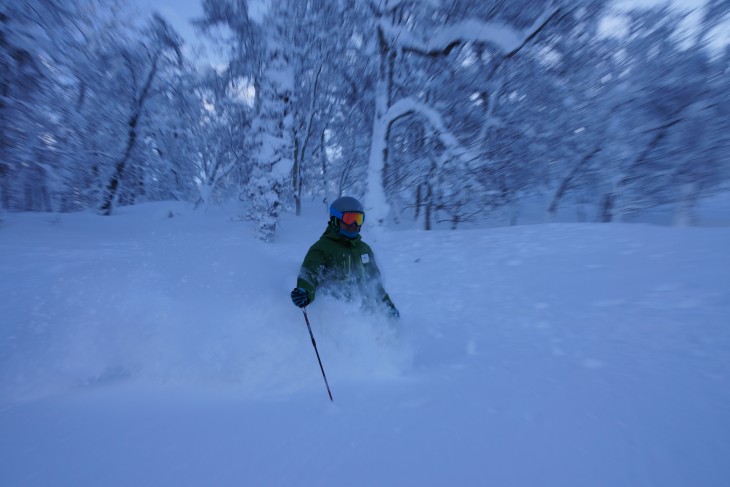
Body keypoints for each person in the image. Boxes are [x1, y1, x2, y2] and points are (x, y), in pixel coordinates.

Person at [290, 196, 399, 318]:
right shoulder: (322, 248)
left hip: (367, 316)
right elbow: (310, 274)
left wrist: (389, 307)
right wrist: (305, 292)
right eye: (349, 219)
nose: (354, 224)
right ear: (335, 220)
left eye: (359, 219)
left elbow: (375, 284)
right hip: (341, 317)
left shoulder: (364, 249)